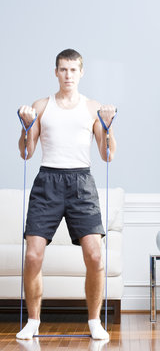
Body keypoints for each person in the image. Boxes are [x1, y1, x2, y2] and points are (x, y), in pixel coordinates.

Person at [16, 49, 117, 341]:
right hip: (47, 180)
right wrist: (24, 125)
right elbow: (26, 152)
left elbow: (107, 155)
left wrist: (109, 126)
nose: (68, 75)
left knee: (95, 255)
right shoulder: (42, 106)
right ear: (56, 72)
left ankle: (95, 321)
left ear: (81, 73)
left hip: (81, 183)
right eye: (63, 70)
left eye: (73, 70)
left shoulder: (92, 107)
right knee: (33, 255)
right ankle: (33, 321)